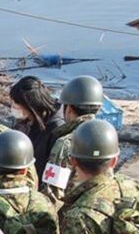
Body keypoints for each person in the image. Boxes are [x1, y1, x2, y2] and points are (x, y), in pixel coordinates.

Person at [41, 75, 103, 203]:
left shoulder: (65, 143)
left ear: (69, 108)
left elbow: (53, 191)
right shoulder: (105, 136)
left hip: (72, 213)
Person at [9, 76, 64, 177]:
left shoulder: (56, 129)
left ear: (30, 106)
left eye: (16, 103)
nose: (13, 106)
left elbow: (57, 171)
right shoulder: (24, 121)